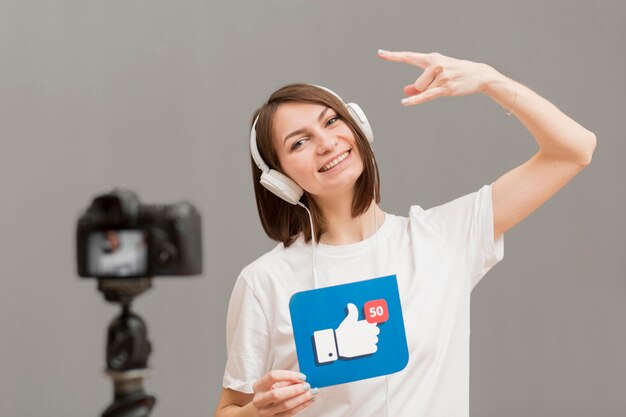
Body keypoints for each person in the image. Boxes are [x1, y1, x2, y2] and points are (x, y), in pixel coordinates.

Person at [214, 50, 596, 417]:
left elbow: (574, 150)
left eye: (332, 122)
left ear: (358, 126)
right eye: (299, 142)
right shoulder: (265, 282)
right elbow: (229, 411)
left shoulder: (443, 240)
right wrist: (258, 412)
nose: (326, 143)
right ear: (279, 179)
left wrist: (490, 81)